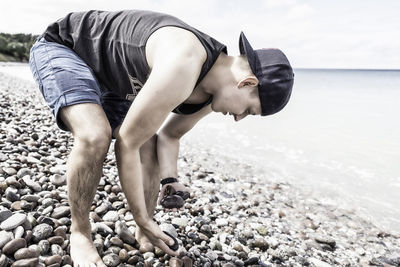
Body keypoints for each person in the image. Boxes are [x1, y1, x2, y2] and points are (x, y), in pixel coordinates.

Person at [29, 9, 294, 267]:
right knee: (95, 135)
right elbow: (127, 143)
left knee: (149, 141)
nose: (239, 118)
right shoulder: (184, 61)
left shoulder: (211, 92)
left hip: (117, 82)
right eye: (249, 110)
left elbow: (170, 134)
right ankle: (80, 233)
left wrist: (170, 180)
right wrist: (140, 216)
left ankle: (145, 231)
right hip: (66, 48)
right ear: (247, 83)